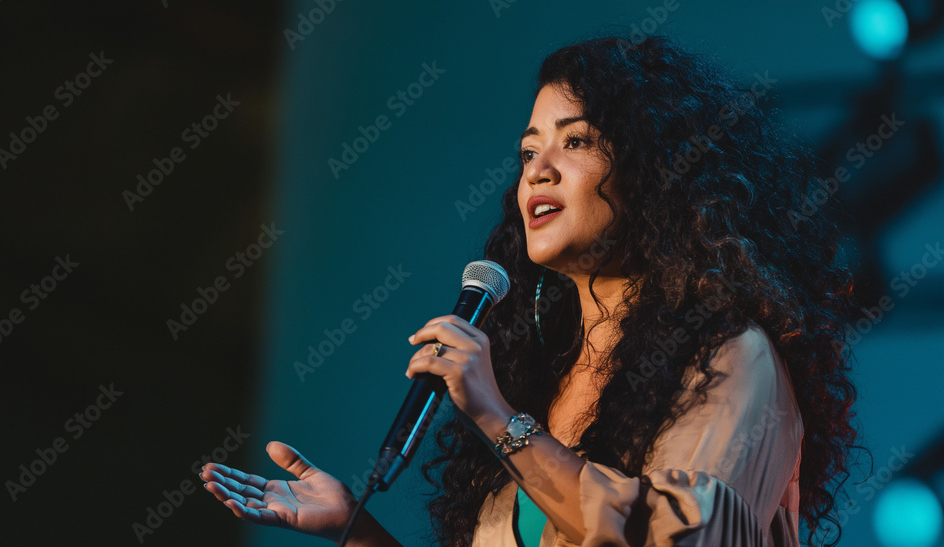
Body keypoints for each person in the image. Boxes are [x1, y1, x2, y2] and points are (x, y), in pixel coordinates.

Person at [200, 35, 859, 546]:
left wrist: (494, 415)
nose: (539, 169)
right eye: (527, 151)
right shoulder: (538, 378)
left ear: (659, 176)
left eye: (575, 142)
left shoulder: (731, 356)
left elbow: (674, 537)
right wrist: (356, 527)